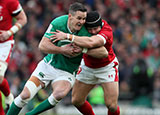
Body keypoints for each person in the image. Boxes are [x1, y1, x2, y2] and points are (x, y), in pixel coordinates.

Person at [7, 3, 108, 115]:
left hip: (68, 71)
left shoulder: (87, 31)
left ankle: (30, 114)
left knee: (59, 94)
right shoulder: (58, 23)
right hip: (49, 65)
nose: (82, 21)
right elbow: (42, 46)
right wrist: (62, 50)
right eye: (79, 18)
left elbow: (103, 52)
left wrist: (83, 50)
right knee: (25, 95)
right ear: (70, 16)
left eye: (84, 18)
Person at [51, 11, 120, 115]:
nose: (92, 31)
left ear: (100, 25)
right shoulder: (82, 28)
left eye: (95, 29)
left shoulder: (107, 31)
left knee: (112, 105)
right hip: (87, 67)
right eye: (90, 29)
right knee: (76, 100)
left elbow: (92, 42)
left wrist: (68, 37)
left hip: (107, 67)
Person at [0, 0, 27, 114]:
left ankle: (8, 96)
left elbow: (23, 19)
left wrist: (9, 32)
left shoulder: (10, 1)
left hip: (4, 43)